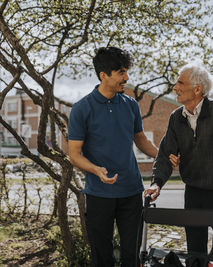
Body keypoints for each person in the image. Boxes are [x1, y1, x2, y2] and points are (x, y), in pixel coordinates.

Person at [145, 63, 213, 259]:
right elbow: (166, 154)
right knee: (195, 254)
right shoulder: (176, 118)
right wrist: (156, 183)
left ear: (197, 89)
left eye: (180, 83)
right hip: (194, 193)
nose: (175, 87)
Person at [68, 47, 158, 267]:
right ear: (103, 75)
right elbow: (74, 155)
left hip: (131, 191)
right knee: (102, 256)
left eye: (126, 71)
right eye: (120, 72)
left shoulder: (131, 105)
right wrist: (96, 170)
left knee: (132, 254)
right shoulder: (82, 109)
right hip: (99, 193)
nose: (126, 78)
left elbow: (141, 140)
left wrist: (163, 156)